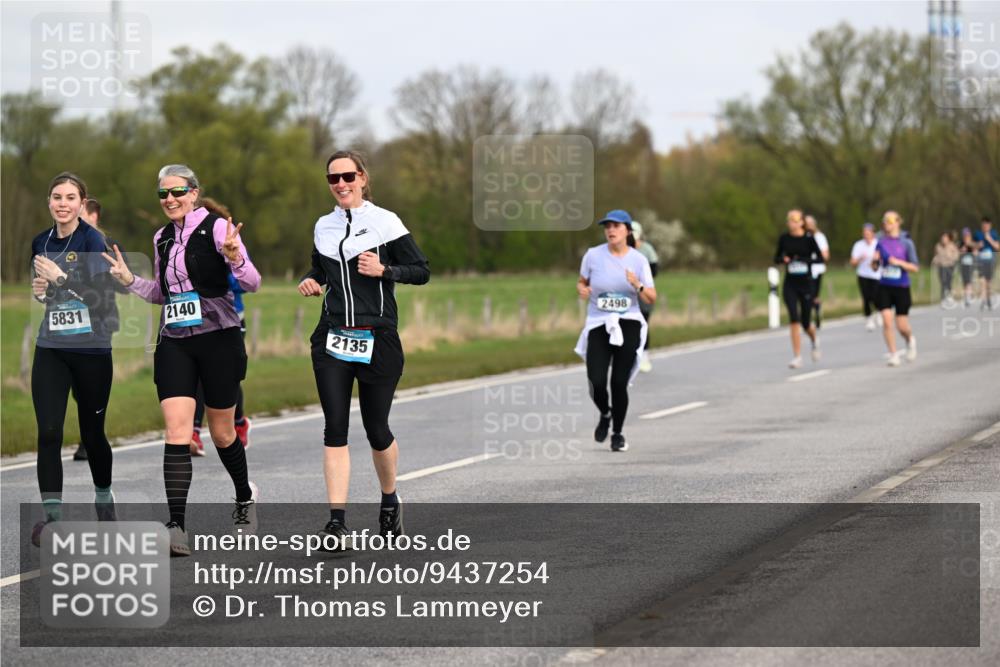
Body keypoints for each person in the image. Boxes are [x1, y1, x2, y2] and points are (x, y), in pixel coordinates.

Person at [102, 164, 261, 556]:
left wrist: (236, 258)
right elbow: (162, 293)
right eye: (163, 194)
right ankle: (176, 526)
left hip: (219, 339)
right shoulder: (161, 238)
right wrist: (129, 281)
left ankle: (244, 496)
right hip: (174, 340)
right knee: (176, 430)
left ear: (193, 193)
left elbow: (253, 283)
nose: (169, 199)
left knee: (222, 433)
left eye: (177, 192)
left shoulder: (219, 228)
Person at [299, 150, 430, 549]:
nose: (340, 184)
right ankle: (337, 524)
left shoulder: (385, 222)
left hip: (379, 338)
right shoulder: (323, 226)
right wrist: (312, 280)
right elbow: (320, 269)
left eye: (347, 176)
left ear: (362, 178)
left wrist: (385, 270)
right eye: (333, 178)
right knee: (334, 428)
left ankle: (389, 499)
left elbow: (422, 271)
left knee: (376, 429)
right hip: (333, 337)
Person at [29, 172, 121, 545]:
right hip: (51, 347)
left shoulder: (94, 241)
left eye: (70, 198)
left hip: (91, 350)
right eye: (57, 197)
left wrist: (61, 278)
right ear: (49, 201)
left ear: (82, 203)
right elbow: (47, 294)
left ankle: (104, 500)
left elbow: (102, 302)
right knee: (49, 432)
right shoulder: (40, 242)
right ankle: (52, 519)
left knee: (92, 434)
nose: (62, 204)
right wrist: (40, 291)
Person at [575, 210, 656, 453]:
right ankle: (605, 413)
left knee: (619, 382)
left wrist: (637, 285)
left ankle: (618, 434)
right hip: (599, 322)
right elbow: (582, 281)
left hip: (628, 321)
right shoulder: (592, 255)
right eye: (607, 226)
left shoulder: (638, 260)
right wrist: (582, 289)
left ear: (627, 231)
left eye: (616, 226)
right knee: (596, 381)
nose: (610, 230)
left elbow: (651, 298)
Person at [189, 197, 251, 457]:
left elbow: (245, 282)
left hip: (229, 319)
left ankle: (239, 422)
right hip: (196, 318)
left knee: (226, 376)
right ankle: (193, 432)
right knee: (198, 376)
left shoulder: (228, 239)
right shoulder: (184, 241)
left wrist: (224, 267)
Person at [774, 209, 822, 368]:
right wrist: (784, 259)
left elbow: (820, 259)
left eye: (795, 221)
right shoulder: (784, 238)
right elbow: (776, 258)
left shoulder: (809, 239)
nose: (792, 224)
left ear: (802, 222)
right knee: (794, 318)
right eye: (790, 221)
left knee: (805, 322)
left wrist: (803, 260)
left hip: (806, 283)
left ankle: (814, 339)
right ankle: (797, 356)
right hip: (790, 284)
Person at [872, 210, 919, 367]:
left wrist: (899, 263)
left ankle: (910, 340)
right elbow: (874, 267)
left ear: (898, 222)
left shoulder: (906, 242)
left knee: (902, 326)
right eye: (885, 221)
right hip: (884, 285)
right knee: (886, 320)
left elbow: (915, 267)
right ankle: (893, 354)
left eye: (890, 221)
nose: (887, 224)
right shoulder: (880, 241)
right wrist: (874, 261)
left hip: (901, 286)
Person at [631, 221, 659, 373]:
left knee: (642, 325)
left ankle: (644, 357)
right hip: (627, 293)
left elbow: (654, 271)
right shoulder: (623, 250)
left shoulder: (647, 249)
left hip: (644, 292)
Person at [850, 222, 882, 331]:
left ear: (873, 233)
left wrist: (875, 261)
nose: (866, 235)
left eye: (868, 233)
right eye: (864, 233)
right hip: (863, 275)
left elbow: (883, 259)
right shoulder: (858, 245)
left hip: (876, 275)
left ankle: (879, 312)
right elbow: (852, 262)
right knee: (866, 297)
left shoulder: (878, 244)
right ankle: (869, 319)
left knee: (875, 296)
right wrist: (860, 258)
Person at [804, 215, 830, 328]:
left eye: (810, 224)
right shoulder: (803, 236)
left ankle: (816, 311)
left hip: (817, 270)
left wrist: (816, 258)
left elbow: (826, 255)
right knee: (807, 294)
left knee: (814, 294)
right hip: (804, 270)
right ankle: (809, 313)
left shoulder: (820, 237)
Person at [973, 216, 998, 310]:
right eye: (983, 225)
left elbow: (997, 247)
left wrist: (989, 239)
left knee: (988, 281)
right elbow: (973, 246)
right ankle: (983, 299)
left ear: (990, 225)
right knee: (982, 280)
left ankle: (988, 298)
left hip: (991, 260)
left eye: (987, 225)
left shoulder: (994, 234)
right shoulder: (978, 234)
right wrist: (977, 246)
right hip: (981, 261)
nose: (985, 227)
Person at [931, 231, 959, 305]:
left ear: (948, 239)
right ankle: (943, 298)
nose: (943, 239)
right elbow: (935, 256)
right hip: (941, 266)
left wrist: (951, 258)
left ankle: (949, 296)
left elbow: (956, 255)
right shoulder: (938, 246)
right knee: (943, 281)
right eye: (942, 238)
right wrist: (935, 261)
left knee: (948, 281)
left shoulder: (952, 246)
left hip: (950, 266)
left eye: (945, 238)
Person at [958, 227, 978, 307]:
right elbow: (957, 253)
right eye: (965, 235)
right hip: (963, 265)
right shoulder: (960, 243)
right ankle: (967, 295)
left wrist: (971, 247)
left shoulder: (972, 244)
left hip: (971, 265)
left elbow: (976, 253)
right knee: (965, 281)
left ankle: (968, 297)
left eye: (967, 235)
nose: (966, 237)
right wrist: (961, 250)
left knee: (969, 281)